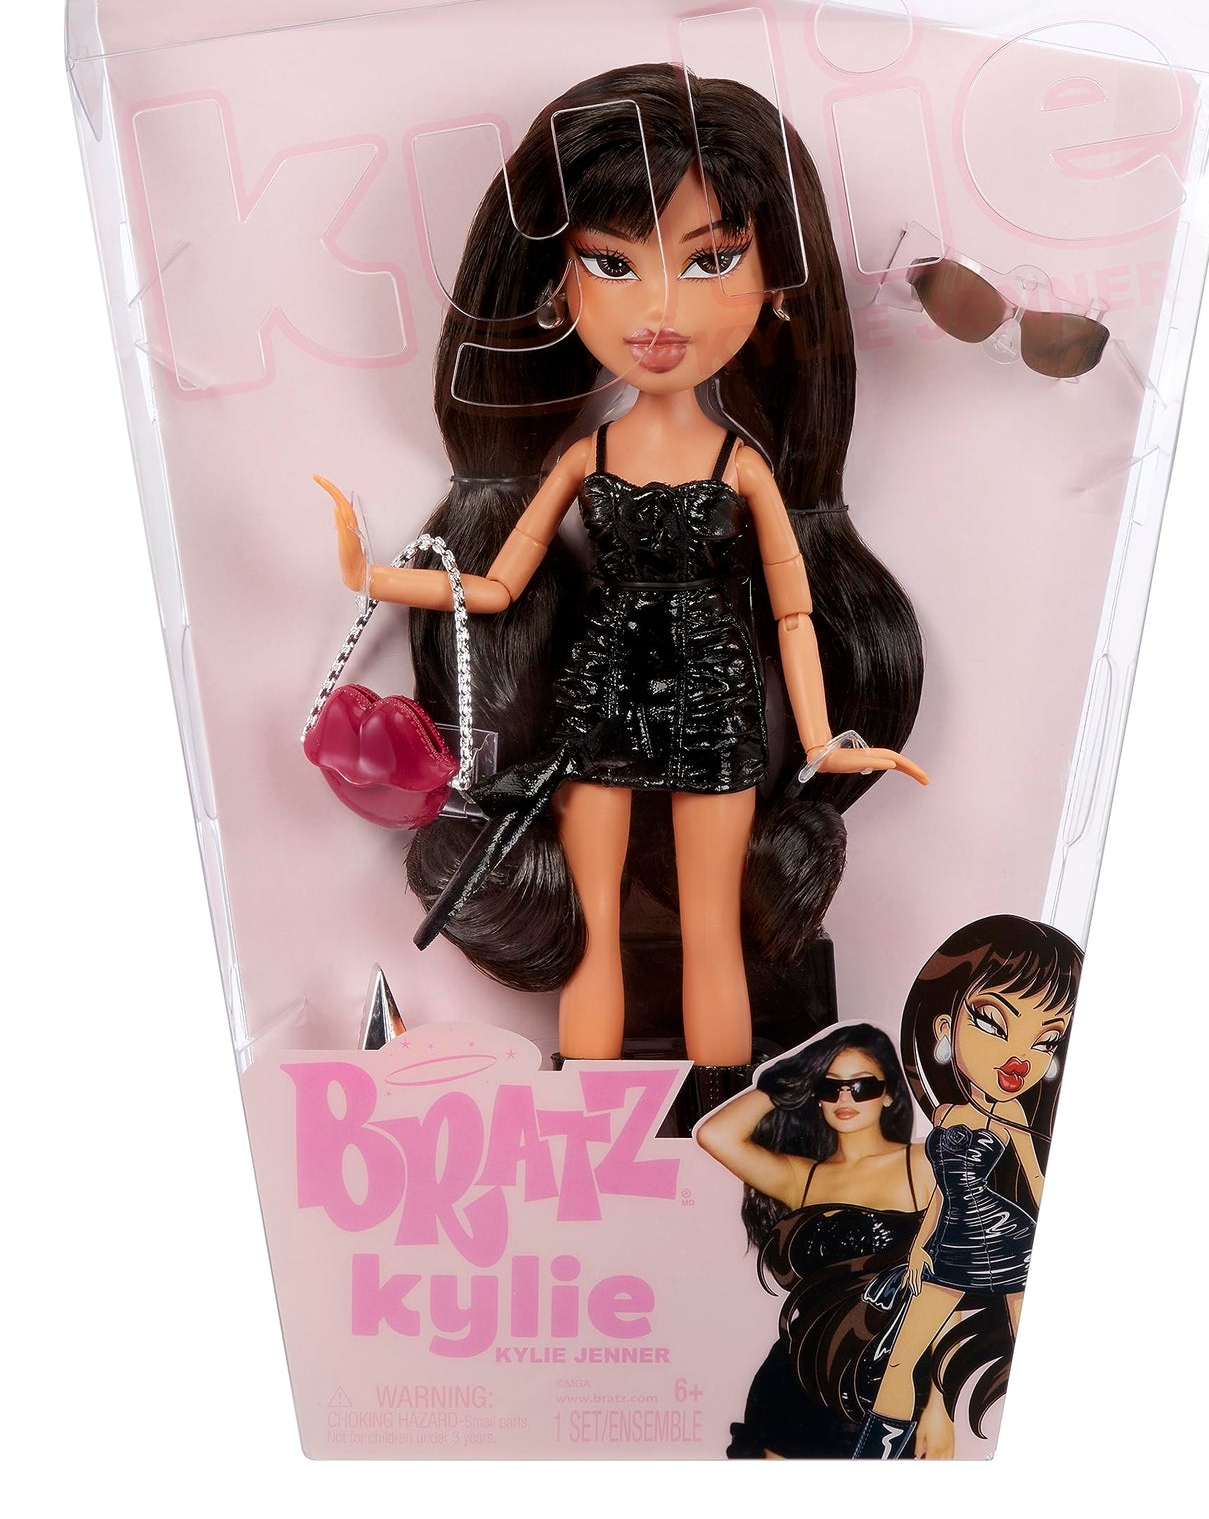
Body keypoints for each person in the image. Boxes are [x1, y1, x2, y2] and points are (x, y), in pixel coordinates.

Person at [319, 64, 925, 1091]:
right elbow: (499, 588)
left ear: (777, 283)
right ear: (558, 285)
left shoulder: (743, 466)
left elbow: (794, 612)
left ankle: (725, 1126)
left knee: (713, 930)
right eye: (612, 262)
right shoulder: (587, 456)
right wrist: (371, 574)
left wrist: (823, 738)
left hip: (715, 703)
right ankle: (588, 1128)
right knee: (594, 933)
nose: (659, 307)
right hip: (598, 698)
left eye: (711, 259)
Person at [852, 916, 1083, 1458]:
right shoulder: (948, 1113)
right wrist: (919, 1247)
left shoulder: (1012, 1114)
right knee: (902, 1359)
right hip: (952, 1244)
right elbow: (943, 1192)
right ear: (944, 1025)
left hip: (1011, 1238)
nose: (1021, 1057)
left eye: (1046, 1039)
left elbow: (1036, 1177)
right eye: (994, 1022)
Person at [695, 1023, 955, 1459]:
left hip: (887, 1389)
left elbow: (948, 1286)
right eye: (830, 1087)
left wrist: (940, 1405)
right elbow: (714, 1135)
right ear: (815, 1094)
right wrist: (793, 1074)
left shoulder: (925, 1166)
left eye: (861, 1086)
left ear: (889, 1093)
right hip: (792, 1386)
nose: (844, 1099)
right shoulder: (802, 1177)